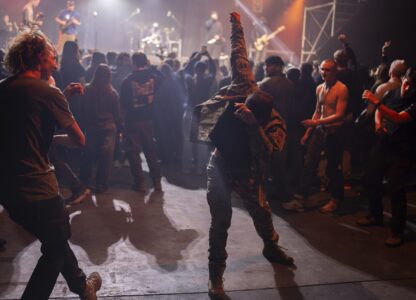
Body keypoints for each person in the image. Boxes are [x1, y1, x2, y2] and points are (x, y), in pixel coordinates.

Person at [192, 12, 294, 300]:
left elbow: (272, 153)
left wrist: (253, 128)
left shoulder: (274, 125)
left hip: (248, 171)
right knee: (220, 220)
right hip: (222, 163)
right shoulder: (245, 87)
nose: (241, 110)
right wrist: (237, 24)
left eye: (249, 113)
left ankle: (271, 246)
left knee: (261, 211)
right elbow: (239, 51)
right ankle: (216, 276)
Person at [0, 30, 101, 299]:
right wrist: (60, 97)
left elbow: (27, 128)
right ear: (41, 57)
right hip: (39, 188)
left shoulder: (4, 88)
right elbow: (78, 140)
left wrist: (58, 95)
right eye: (50, 50)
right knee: (56, 245)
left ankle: (84, 288)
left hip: (9, 190)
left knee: (55, 240)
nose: (55, 53)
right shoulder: (49, 92)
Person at [357, 67, 416, 247]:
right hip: (384, 144)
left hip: (402, 150)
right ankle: (375, 215)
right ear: (403, 78)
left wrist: (376, 103)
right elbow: (379, 111)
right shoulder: (392, 93)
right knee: (371, 179)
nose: (406, 87)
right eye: (406, 82)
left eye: (411, 84)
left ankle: (396, 231)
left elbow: (398, 118)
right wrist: (377, 123)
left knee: (395, 189)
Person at [282, 59, 348, 213]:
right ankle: (301, 198)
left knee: (333, 167)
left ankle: (335, 199)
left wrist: (315, 123)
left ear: (335, 71)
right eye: (322, 69)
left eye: (328, 70)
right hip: (319, 130)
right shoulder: (319, 88)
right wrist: (307, 132)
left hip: (334, 132)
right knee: (309, 163)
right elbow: (318, 110)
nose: (324, 72)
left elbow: (339, 115)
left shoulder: (342, 88)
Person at [120, 52, 164, 192]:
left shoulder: (127, 81)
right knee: (151, 151)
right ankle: (157, 182)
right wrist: (150, 68)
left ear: (133, 63)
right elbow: (163, 78)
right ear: (146, 62)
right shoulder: (154, 78)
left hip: (132, 121)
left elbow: (122, 104)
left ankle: (140, 183)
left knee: (134, 153)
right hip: (148, 120)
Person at [80, 64, 123, 193]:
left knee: (88, 154)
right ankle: (101, 184)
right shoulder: (113, 93)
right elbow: (117, 113)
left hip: (92, 127)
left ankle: (84, 181)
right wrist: (120, 128)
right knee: (106, 158)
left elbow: (82, 109)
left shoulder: (87, 89)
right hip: (108, 128)